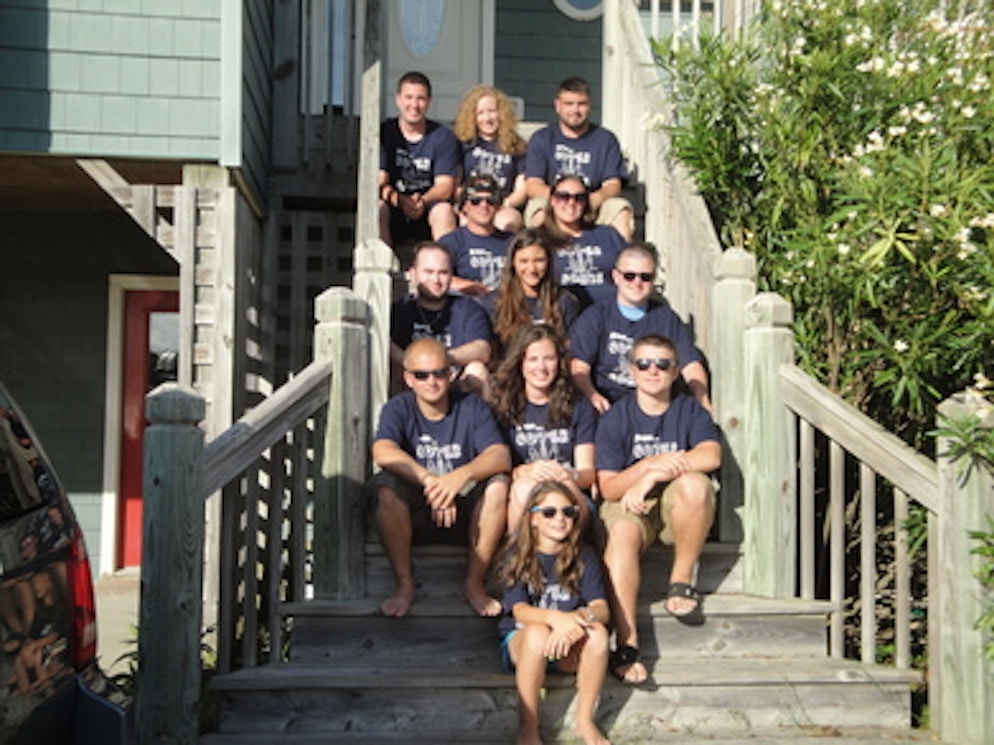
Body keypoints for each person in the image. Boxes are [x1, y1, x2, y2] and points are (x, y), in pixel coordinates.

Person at [595, 334, 721, 685]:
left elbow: (711, 455)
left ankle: (680, 581)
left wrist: (657, 474)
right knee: (619, 532)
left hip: (674, 505)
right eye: (644, 364)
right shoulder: (616, 417)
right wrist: (647, 467)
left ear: (676, 370)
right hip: (628, 504)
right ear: (631, 371)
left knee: (696, 484)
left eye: (662, 364)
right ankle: (628, 640)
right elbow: (608, 487)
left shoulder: (688, 409)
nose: (653, 371)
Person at [370, 338, 511, 618]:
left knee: (498, 486)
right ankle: (404, 585)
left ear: (451, 375)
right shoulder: (398, 408)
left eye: (439, 373)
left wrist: (458, 478)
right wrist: (432, 481)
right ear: (408, 378)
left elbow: (500, 456)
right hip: (417, 512)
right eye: (422, 375)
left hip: (465, 513)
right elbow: (382, 451)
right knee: (385, 490)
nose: (431, 381)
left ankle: (474, 583)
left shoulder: (471, 406)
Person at [497, 480, 611, 745]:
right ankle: (528, 728)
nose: (559, 518)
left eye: (567, 512)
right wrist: (557, 620)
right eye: (549, 512)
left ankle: (585, 721)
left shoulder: (584, 556)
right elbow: (520, 611)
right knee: (537, 632)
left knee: (598, 633)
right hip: (523, 643)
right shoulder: (517, 555)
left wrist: (578, 623)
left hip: (566, 647)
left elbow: (601, 608)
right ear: (533, 518)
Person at [570, 242, 712, 413]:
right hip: (606, 405)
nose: (637, 282)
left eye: (645, 277)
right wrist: (592, 395)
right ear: (616, 276)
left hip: (654, 405)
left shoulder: (666, 318)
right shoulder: (595, 316)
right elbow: (579, 367)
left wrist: (701, 398)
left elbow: (690, 365)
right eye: (629, 276)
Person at [490, 325, 597, 531]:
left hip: (569, 493)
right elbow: (496, 468)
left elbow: (587, 473)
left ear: (559, 362)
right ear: (519, 363)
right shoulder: (502, 406)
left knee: (559, 495)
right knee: (523, 487)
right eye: (533, 359)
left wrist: (568, 474)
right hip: (524, 494)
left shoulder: (579, 405)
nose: (541, 367)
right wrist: (525, 470)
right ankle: (518, 557)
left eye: (549, 359)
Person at [524, 77, 632, 241]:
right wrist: (562, 200)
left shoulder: (605, 139)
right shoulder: (542, 138)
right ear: (558, 106)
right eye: (569, 104)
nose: (575, 110)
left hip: (592, 204)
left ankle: (622, 264)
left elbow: (613, 185)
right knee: (538, 209)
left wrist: (592, 200)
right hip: (554, 204)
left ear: (590, 105)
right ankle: (543, 262)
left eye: (581, 104)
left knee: (620, 209)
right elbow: (533, 185)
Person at [390, 241, 492, 395]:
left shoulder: (468, 308)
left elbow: (482, 349)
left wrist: (444, 358)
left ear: (451, 275)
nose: (436, 280)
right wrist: (416, 363)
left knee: (477, 370)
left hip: (453, 384)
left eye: (443, 272)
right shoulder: (400, 310)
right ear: (413, 274)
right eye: (428, 272)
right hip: (413, 384)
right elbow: (386, 345)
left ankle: (473, 418)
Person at [379, 71, 460, 246]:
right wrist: (400, 200)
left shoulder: (443, 136)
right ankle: (382, 268)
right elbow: (380, 182)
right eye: (408, 97)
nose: (414, 105)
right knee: (378, 209)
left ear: (429, 102)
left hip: (428, 204)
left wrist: (422, 201)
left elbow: (445, 186)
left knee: (444, 211)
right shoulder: (384, 133)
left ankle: (445, 267)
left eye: (421, 98)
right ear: (398, 99)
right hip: (395, 204)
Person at [488, 228, 580, 355]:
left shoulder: (564, 301)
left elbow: (570, 347)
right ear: (513, 263)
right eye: (524, 261)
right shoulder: (495, 301)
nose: (532, 269)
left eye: (539, 261)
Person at [544, 175, 628, 309]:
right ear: (552, 200)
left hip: (609, 311)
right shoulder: (540, 237)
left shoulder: (607, 234)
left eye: (579, 198)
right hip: (561, 314)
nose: (571, 203)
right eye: (563, 197)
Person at [453, 84, 529, 233]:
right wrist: (470, 204)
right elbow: (456, 185)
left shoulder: (516, 145)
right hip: (471, 204)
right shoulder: (462, 144)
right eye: (480, 113)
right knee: (466, 223)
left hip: (503, 204)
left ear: (502, 113)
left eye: (492, 111)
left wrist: (503, 204)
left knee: (508, 222)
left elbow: (522, 188)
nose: (487, 118)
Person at [438, 175, 513, 299]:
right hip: (467, 308)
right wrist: (470, 286)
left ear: (498, 206)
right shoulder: (451, 242)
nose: (484, 206)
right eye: (475, 201)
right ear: (465, 207)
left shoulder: (512, 241)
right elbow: (435, 276)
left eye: (491, 201)